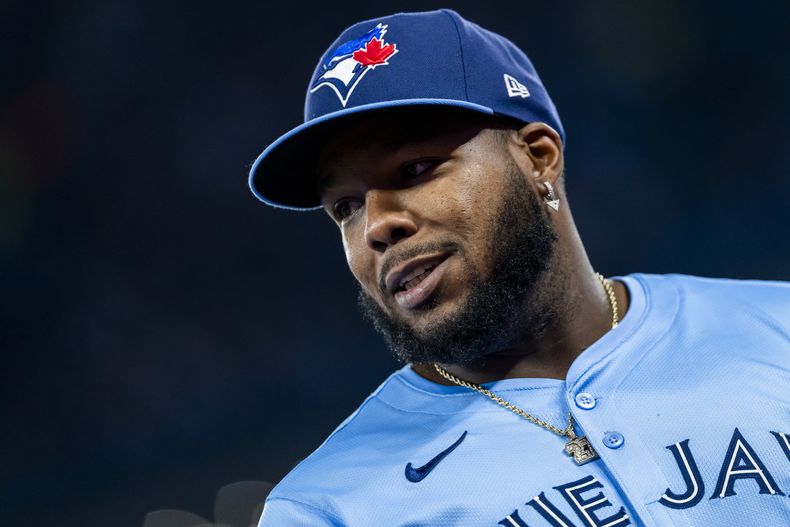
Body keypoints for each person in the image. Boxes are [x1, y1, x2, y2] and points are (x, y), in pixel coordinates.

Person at [248, 9, 789, 527]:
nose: (376, 226)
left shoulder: (776, 328)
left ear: (537, 157)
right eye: (345, 207)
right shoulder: (329, 508)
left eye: (413, 169)